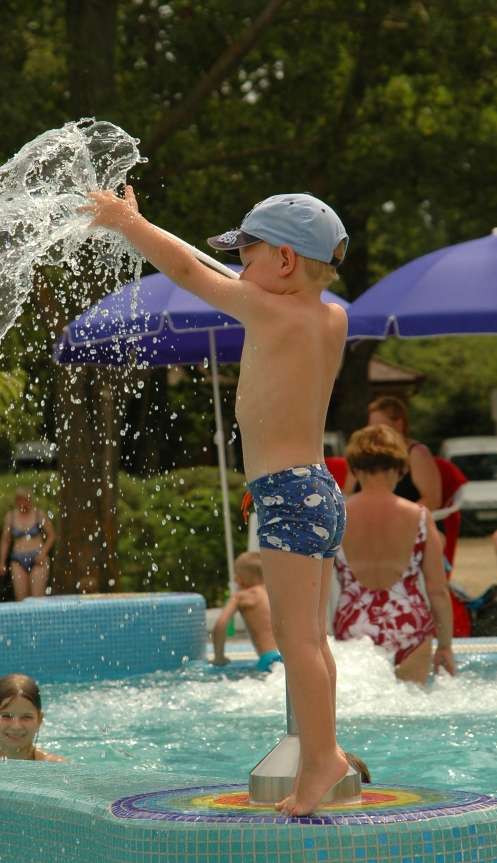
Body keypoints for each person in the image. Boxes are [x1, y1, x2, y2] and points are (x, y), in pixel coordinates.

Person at [80, 188, 349, 816]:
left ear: (285, 261)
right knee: (312, 636)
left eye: (245, 257)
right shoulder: (328, 316)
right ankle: (323, 752)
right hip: (314, 486)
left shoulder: (269, 311)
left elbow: (185, 270)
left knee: (296, 639)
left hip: (288, 491)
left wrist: (130, 223)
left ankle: (321, 760)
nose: (237, 270)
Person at [334, 425, 456, 684]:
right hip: (408, 623)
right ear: (400, 469)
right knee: (409, 713)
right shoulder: (419, 516)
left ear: (356, 469)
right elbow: (437, 590)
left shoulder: (337, 517)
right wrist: (445, 646)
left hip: (355, 624)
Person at [344, 396, 442, 511]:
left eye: (379, 425)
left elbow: (432, 501)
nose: (373, 431)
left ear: (399, 424)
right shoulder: (363, 454)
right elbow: (346, 494)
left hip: (405, 525)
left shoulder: (416, 453)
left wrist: (396, 520)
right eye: (370, 426)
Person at [211, 551, 281, 671]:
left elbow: (220, 625)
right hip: (288, 655)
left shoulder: (241, 596)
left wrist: (219, 657)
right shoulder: (276, 592)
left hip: (269, 658)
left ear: (239, 580)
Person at [0, 674, 66, 761]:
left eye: (26, 717)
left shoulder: (56, 768)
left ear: (39, 719)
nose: (16, 726)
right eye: (6, 716)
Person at [0, 487, 56, 601]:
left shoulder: (39, 514)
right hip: (18, 558)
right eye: (22, 501)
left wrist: (43, 553)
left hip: (37, 557)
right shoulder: (11, 517)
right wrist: (2, 562)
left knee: (38, 598)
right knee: (21, 599)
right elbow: (5, 540)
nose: (24, 504)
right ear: (17, 501)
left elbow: (51, 535)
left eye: (27, 500)